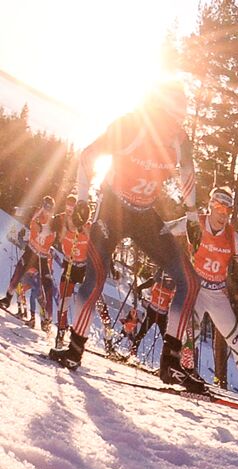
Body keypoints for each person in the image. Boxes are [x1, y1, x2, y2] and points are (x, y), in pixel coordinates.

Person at [47, 82, 204, 391]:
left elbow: (187, 173)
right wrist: (81, 199)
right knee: (96, 278)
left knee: (190, 280)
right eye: (170, 120)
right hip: (113, 210)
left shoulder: (179, 139)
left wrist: (193, 216)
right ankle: (75, 349)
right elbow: (88, 156)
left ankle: (171, 364)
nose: (175, 128)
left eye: (179, 121)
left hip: (145, 214)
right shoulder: (131, 126)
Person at [178, 186, 238, 409]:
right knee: (190, 333)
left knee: (236, 341)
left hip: (217, 293)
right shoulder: (194, 223)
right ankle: (187, 374)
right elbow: (163, 231)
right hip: (195, 289)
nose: (223, 215)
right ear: (211, 206)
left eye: (227, 211)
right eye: (219, 208)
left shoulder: (233, 237)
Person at [2, 196, 57, 327]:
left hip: (42, 258)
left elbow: (51, 233)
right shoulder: (36, 211)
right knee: (17, 272)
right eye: (45, 207)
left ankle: (47, 319)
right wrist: (16, 210)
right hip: (30, 252)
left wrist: (42, 230)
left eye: (49, 209)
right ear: (42, 206)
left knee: (46, 287)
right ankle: (7, 298)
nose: (46, 211)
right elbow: (23, 211)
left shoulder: (54, 222)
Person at [53, 196, 93, 347]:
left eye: (73, 210)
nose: (70, 213)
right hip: (69, 264)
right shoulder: (62, 221)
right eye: (68, 209)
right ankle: (61, 331)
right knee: (63, 300)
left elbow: (98, 245)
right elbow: (49, 221)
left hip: (84, 268)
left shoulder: (88, 227)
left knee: (94, 298)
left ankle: (108, 336)